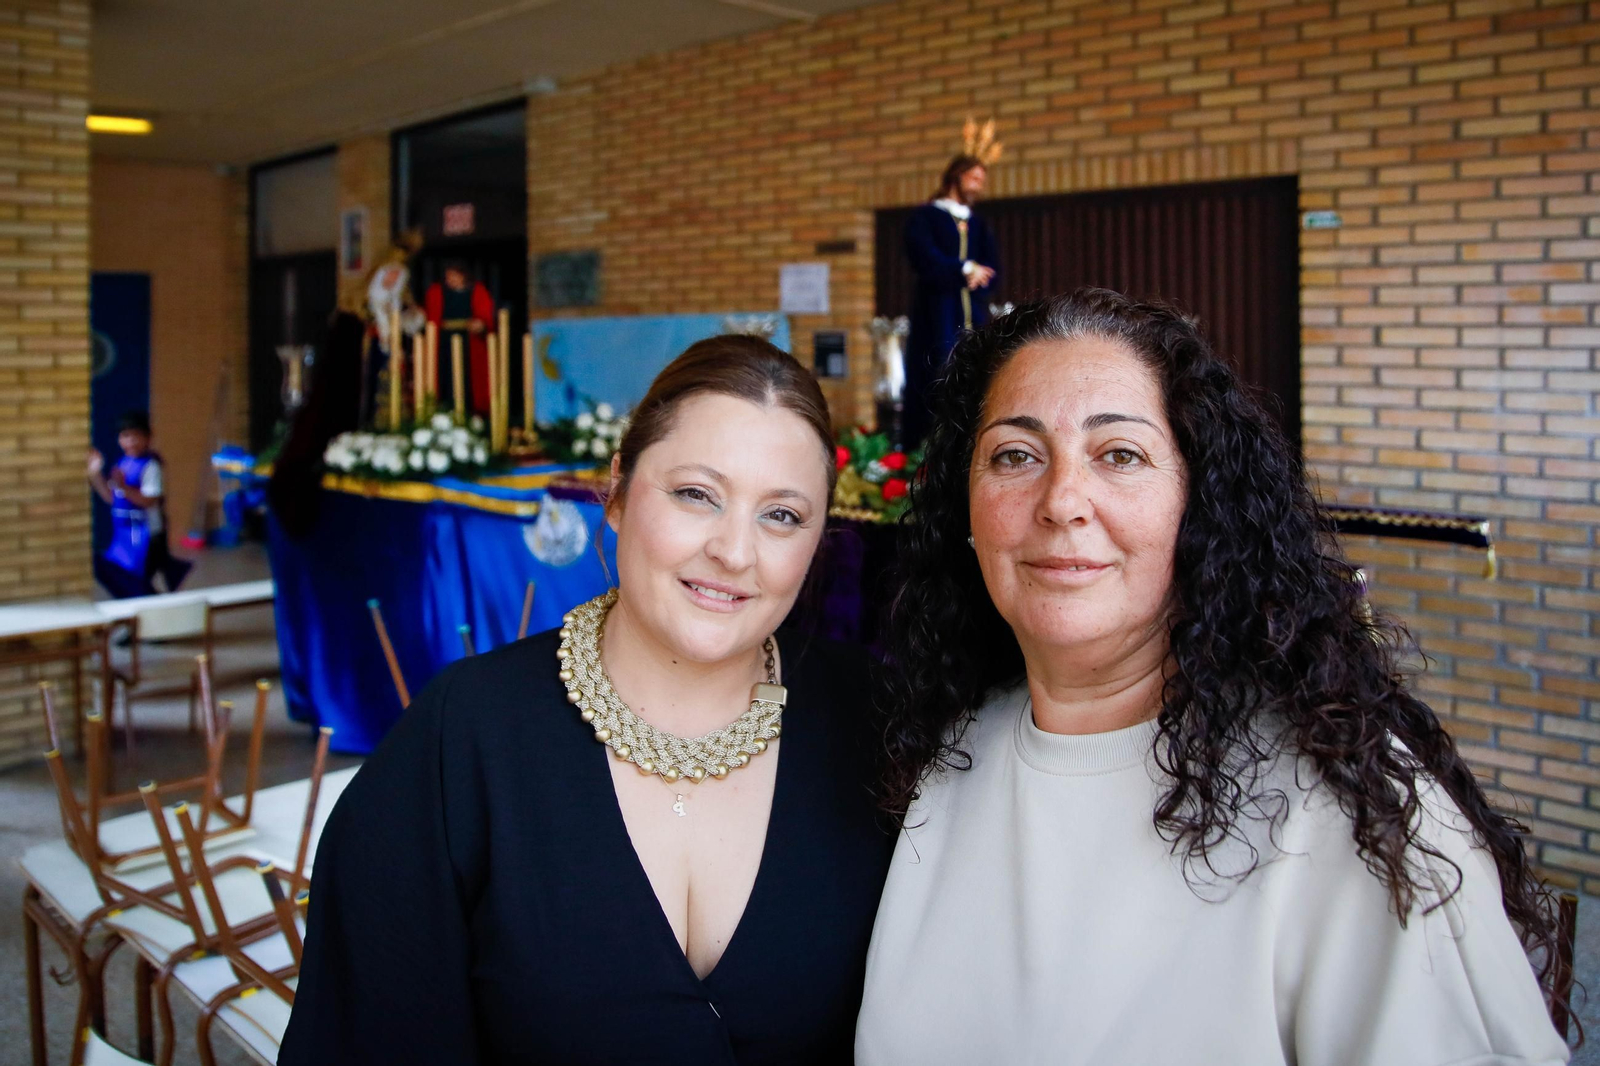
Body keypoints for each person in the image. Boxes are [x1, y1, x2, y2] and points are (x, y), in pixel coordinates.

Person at [856, 289, 1570, 1064]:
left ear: (1200, 504)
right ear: (966, 505)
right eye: (1015, 456)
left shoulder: (1342, 813)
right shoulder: (951, 754)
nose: (1061, 501)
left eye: (1120, 455)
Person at [280, 335, 895, 1064]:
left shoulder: (879, 723)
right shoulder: (462, 741)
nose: (735, 552)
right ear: (617, 492)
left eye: (782, 515)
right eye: (696, 494)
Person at [902, 153, 999, 448]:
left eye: (981, 180)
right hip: (938, 313)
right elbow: (924, 257)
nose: (978, 186)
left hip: (973, 314)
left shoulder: (977, 223)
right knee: (935, 372)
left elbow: (992, 267)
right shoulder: (927, 217)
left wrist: (980, 275)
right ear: (957, 176)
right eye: (974, 178)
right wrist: (963, 269)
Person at [87, 410, 191, 599]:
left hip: (147, 536)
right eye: (126, 436)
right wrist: (95, 475)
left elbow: (149, 500)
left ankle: (155, 610)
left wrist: (124, 487)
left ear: (148, 438)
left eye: (137, 435)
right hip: (124, 535)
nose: (131, 441)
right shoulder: (122, 463)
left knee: (134, 584)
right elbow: (112, 498)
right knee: (122, 579)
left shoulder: (151, 465)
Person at [423, 259, 495, 416]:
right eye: (448, 276)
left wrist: (480, 324)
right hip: (443, 342)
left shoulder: (477, 291)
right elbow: (430, 317)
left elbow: (485, 316)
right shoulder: (437, 292)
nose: (451, 280)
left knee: (468, 378)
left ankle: (470, 412)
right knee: (445, 377)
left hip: (469, 341)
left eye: (454, 276)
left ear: (463, 276)